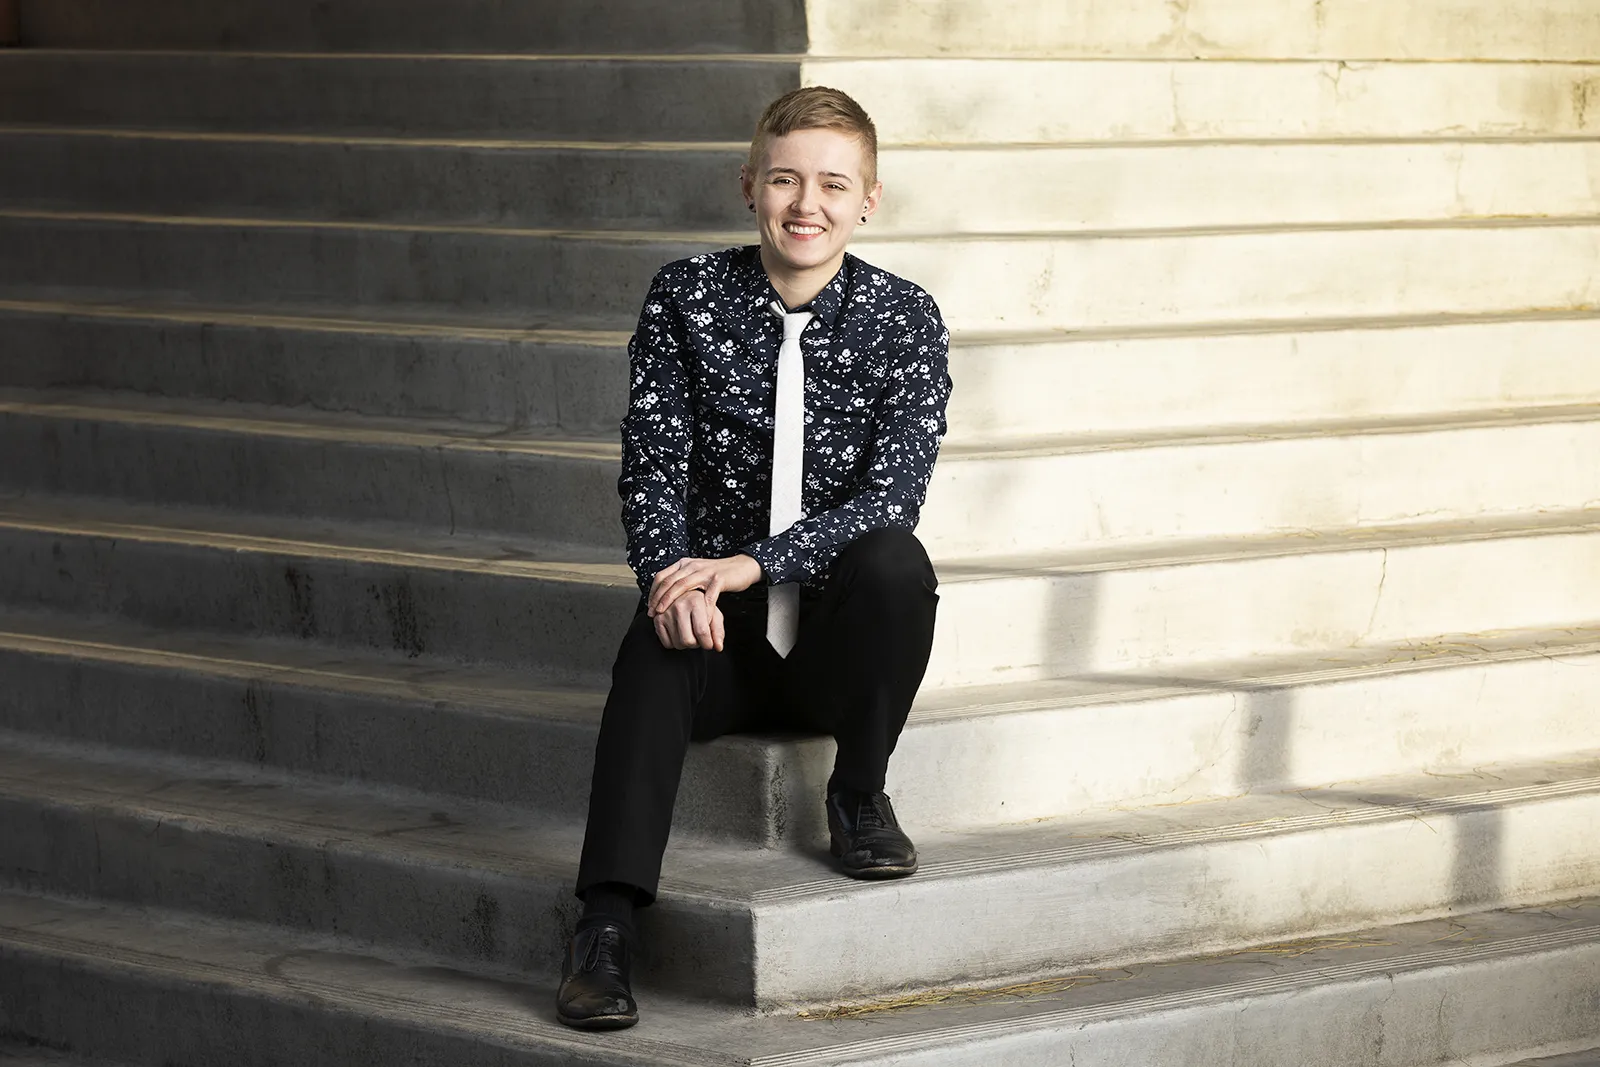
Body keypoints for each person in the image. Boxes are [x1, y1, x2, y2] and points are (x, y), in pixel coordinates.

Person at [555, 86, 953, 1030]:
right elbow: (652, 465)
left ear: (869, 201)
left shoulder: (904, 318)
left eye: (833, 184)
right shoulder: (685, 296)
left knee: (897, 561)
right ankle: (605, 925)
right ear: (749, 186)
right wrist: (671, 576)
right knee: (655, 635)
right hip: (720, 638)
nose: (806, 204)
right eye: (784, 180)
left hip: (833, 646)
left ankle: (857, 793)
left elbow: (890, 497)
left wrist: (750, 561)